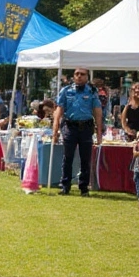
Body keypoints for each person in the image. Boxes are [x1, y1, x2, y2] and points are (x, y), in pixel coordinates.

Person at [52, 67, 103, 196]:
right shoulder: (66, 90)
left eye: (82, 74)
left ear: (87, 77)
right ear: (73, 76)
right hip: (70, 126)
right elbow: (58, 111)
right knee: (67, 157)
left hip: (86, 127)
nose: (79, 76)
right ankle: (65, 185)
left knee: (85, 159)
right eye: (76, 74)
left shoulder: (92, 91)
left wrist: (99, 133)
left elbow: (97, 112)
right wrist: (55, 131)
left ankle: (84, 187)